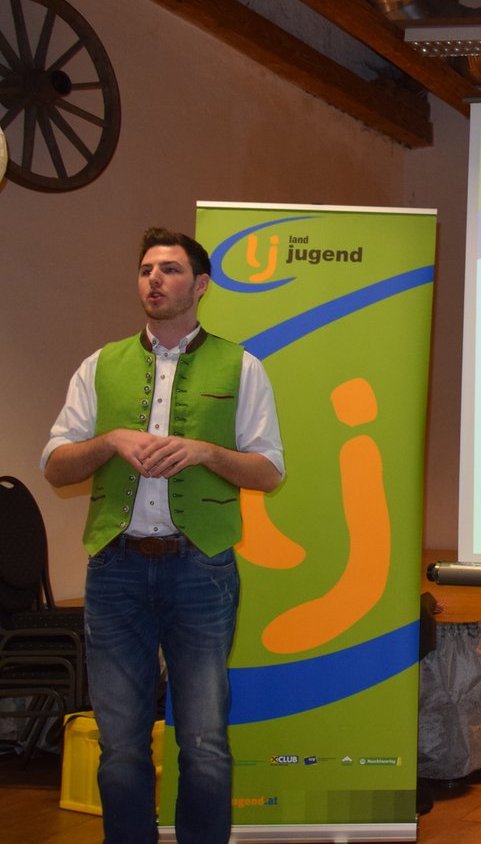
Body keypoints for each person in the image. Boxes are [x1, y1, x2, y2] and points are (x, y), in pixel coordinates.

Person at [42, 227, 284, 844]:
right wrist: (109, 441)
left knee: (203, 740)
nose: (154, 278)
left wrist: (207, 452)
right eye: (147, 268)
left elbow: (269, 471)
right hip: (115, 569)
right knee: (120, 741)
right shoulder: (100, 366)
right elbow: (56, 467)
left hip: (200, 569)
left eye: (170, 269)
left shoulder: (242, 366)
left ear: (200, 286)